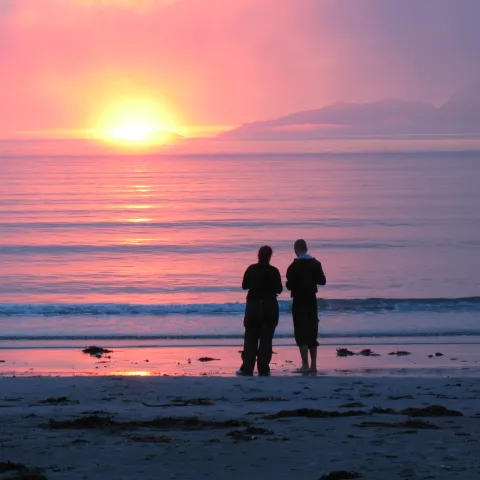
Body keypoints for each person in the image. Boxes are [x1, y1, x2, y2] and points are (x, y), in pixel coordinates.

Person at [237, 245, 283, 376]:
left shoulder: (251, 269)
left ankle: (247, 367)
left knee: (250, 336)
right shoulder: (274, 271)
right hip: (269, 305)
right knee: (266, 337)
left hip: (253, 305)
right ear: (270, 257)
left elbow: (244, 286)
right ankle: (263, 367)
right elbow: (279, 290)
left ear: (258, 255)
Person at [286, 239, 326, 373]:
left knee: (300, 331)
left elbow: (289, 285)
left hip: (299, 300)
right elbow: (322, 281)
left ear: (295, 250)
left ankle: (305, 365)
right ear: (307, 249)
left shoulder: (293, 266)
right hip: (311, 300)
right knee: (312, 331)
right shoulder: (315, 263)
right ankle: (314, 365)